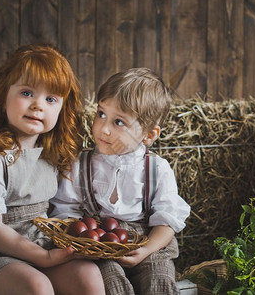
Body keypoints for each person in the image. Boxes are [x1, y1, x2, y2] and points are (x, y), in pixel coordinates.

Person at [0, 44, 105, 295]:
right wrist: (43, 257)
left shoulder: (49, 157)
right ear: (3, 98)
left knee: (87, 274)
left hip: (37, 245)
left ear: (61, 110)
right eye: (26, 92)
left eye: (51, 99)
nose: (38, 105)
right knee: (37, 286)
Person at [49, 67, 191, 294]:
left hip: (146, 243)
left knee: (159, 279)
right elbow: (65, 211)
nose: (103, 129)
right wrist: (86, 241)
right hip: (97, 246)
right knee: (110, 280)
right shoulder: (79, 165)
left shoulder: (157, 169)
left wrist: (145, 251)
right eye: (101, 114)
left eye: (119, 122)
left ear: (149, 135)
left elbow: (167, 220)